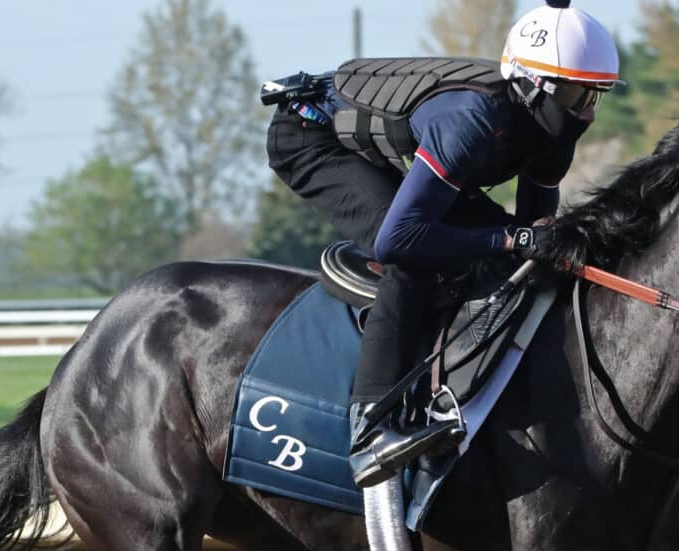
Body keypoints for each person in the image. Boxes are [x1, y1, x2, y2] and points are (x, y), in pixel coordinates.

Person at [262, 0, 620, 488]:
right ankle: (371, 428)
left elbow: (535, 238)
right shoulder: (473, 120)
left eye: (596, 96)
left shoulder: (552, 127)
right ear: (537, 87)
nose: (589, 114)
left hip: (376, 147)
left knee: (502, 253)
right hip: (311, 137)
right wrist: (513, 238)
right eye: (580, 95)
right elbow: (399, 240)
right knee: (416, 260)